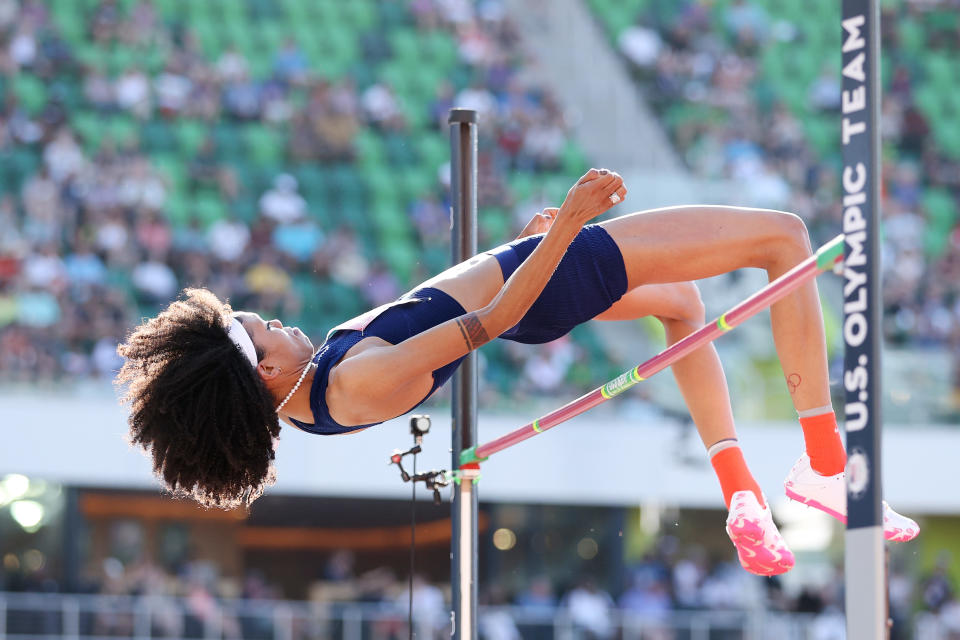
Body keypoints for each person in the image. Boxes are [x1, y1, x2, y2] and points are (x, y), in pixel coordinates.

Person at [117, 168, 918, 576]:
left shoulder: (314, 397)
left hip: (538, 273)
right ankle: (823, 467)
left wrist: (524, 244)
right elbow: (489, 320)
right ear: (258, 373)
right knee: (784, 237)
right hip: (549, 274)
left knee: (682, 305)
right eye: (266, 329)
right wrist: (567, 226)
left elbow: (440, 302)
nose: (282, 322)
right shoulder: (349, 388)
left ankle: (742, 491)